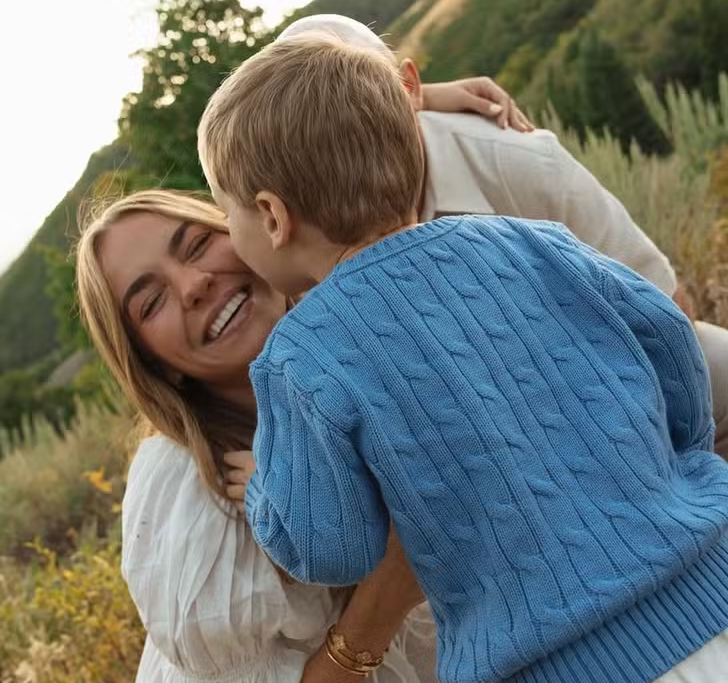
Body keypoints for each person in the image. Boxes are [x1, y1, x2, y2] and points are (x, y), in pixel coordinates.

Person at [196, 31, 728, 683]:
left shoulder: (298, 357)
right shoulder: (534, 241)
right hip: (711, 587)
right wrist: (676, 465)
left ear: (273, 217)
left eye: (227, 211)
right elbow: (669, 339)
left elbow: (334, 545)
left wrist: (268, 496)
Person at [76, 76, 533, 683]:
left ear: (259, 225)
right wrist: (389, 586)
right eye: (150, 302)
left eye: (195, 246)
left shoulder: (378, 334)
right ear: (152, 363)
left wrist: (417, 99)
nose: (192, 286)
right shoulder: (188, 493)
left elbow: (301, 108)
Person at [277, 14, 728, 458]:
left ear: (408, 87)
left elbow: (667, 307)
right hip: (483, 455)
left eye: (366, 99)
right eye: (317, 124)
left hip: (616, 386)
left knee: (718, 358)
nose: (347, 133)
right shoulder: (301, 242)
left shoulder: (517, 160)